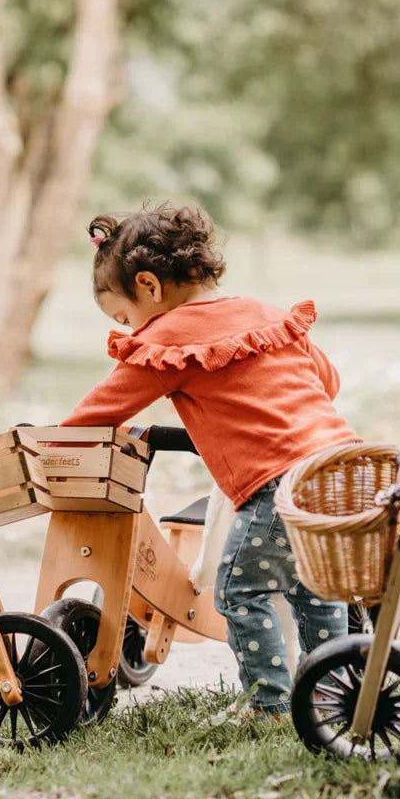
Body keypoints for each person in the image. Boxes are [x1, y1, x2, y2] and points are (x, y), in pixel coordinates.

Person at [61, 202, 359, 714]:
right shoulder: (268, 316)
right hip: (342, 468)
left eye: (124, 317)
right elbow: (327, 383)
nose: (130, 330)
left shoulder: (168, 340)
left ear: (150, 286)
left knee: (238, 591)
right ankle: (332, 693)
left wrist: (51, 441)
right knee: (316, 588)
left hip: (279, 483)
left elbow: (98, 414)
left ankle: (270, 702)